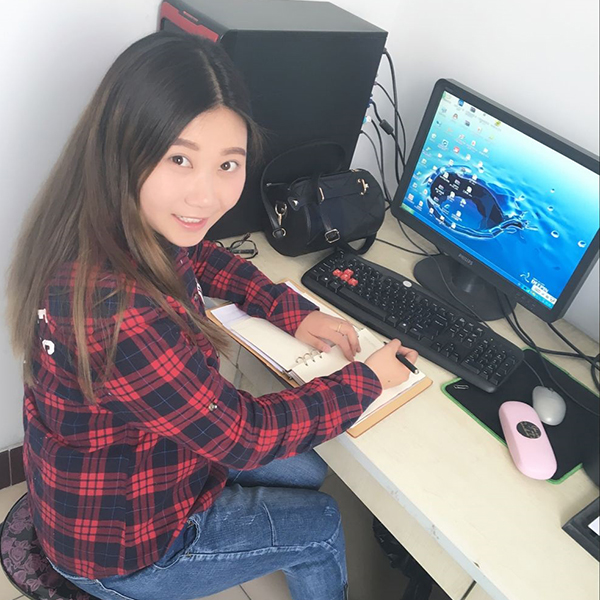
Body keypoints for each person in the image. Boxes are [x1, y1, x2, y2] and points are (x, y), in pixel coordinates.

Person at [5, 31, 418, 600]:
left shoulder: (107, 222)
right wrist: (367, 380)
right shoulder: (116, 311)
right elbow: (244, 437)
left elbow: (199, 256)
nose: (206, 197)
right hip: (123, 546)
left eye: (228, 164)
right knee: (322, 521)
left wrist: (289, 311)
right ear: (122, 150)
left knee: (309, 472)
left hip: (133, 464)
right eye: (179, 159)